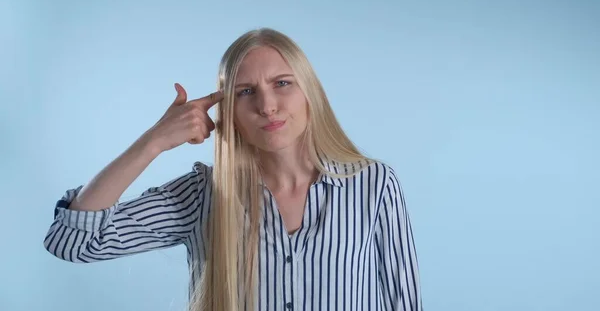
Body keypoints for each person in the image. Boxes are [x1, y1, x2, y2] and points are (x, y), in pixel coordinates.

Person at [43, 28, 422, 311]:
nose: (267, 105)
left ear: (310, 94)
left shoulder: (373, 185)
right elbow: (73, 242)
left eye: (282, 83)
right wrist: (153, 142)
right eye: (245, 92)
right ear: (230, 113)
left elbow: (403, 302)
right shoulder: (201, 196)